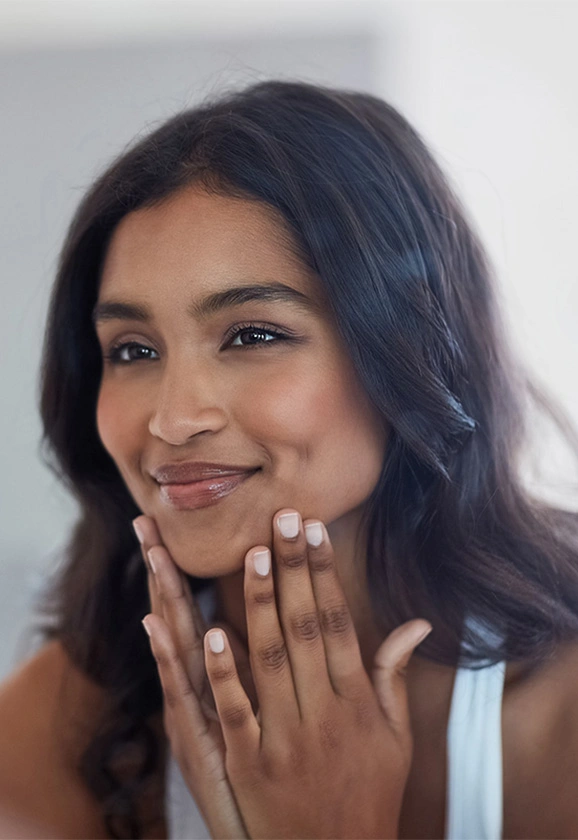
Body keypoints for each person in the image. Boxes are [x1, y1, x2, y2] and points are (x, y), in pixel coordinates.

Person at [0, 78, 578, 840]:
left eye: (252, 335)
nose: (173, 419)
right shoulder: (57, 727)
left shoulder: (561, 707)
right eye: (133, 350)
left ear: (407, 351)